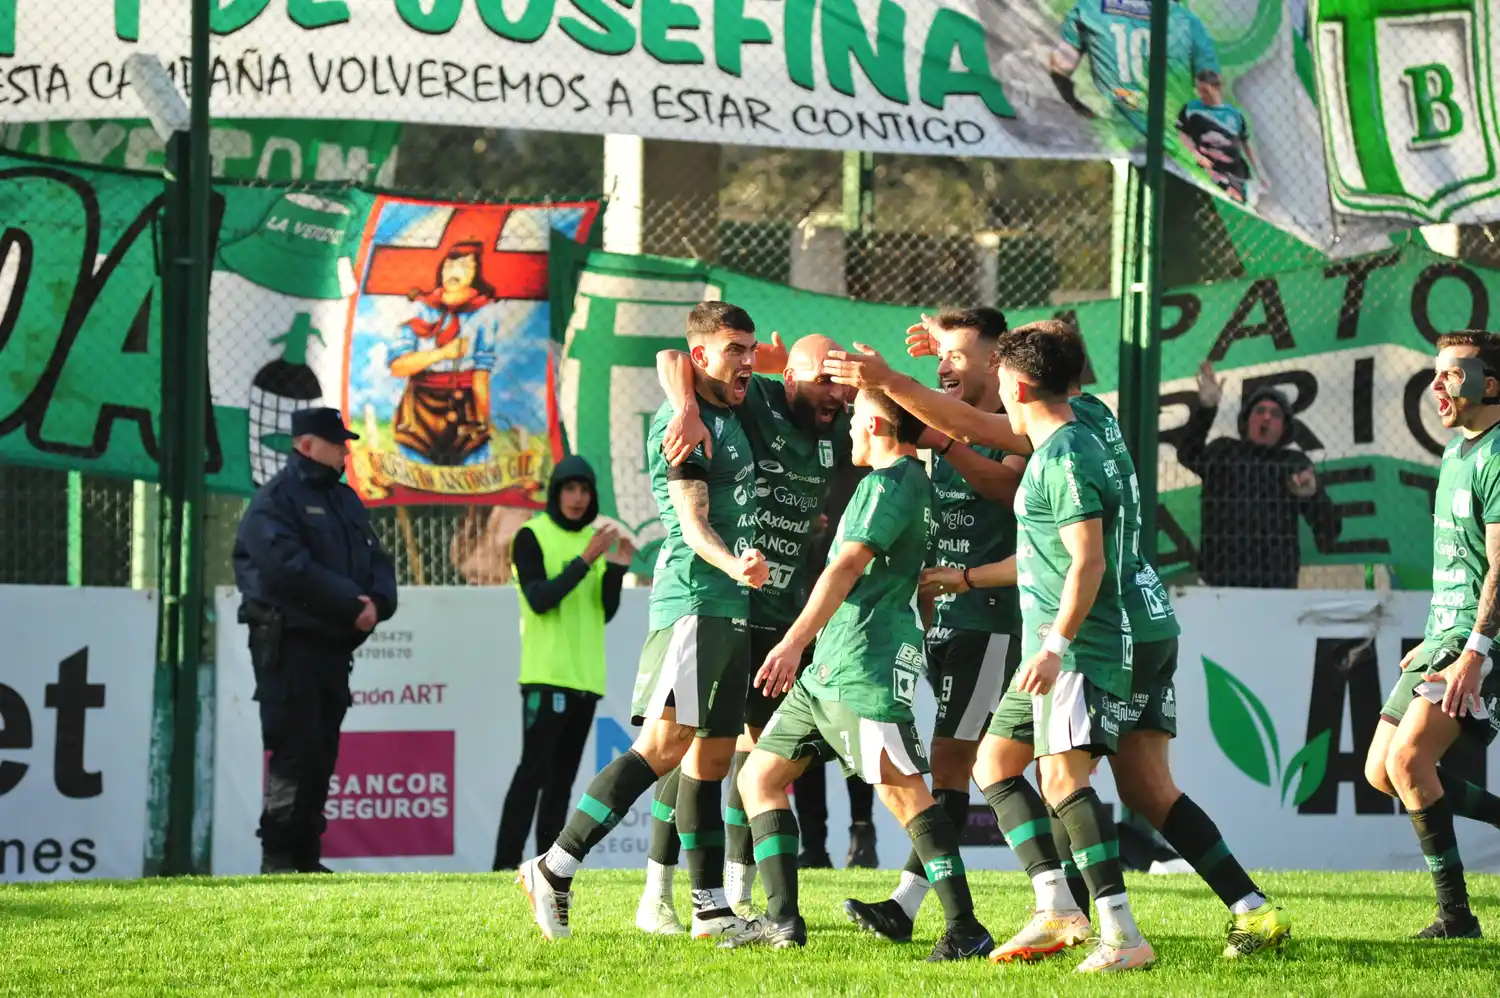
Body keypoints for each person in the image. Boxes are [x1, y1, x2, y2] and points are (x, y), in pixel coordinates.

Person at [830, 322, 1291, 963]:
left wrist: (1053, 643)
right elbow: (976, 431)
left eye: (993, 359)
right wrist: (911, 372)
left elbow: (1084, 561)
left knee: (1061, 777)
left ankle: (1119, 933)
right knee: (1103, 781)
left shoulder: (1062, 454)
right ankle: (1243, 911)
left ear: (1016, 381)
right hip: (1144, 621)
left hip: (1092, 636)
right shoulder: (1088, 418)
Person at [516, 301, 769, 942]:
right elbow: (691, 523)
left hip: (729, 604)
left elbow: (671, 359)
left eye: (751, 347)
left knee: (711, 759)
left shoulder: (721, 406)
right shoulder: (683, 426)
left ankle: (710, 910)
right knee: (661, 748)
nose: (748, 359)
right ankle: (555, 865)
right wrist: (734, 565)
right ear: (704, 355)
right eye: (735, 347)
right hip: (696, 599)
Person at [723, 388, 993, 959]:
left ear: (875, 422)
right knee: (759, 779)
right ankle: (782, 922)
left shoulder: (890, 484)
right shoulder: (912, 483)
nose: (847, 431)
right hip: (832, 667)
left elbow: (847, 566)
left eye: (853, 420)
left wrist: (793, 642)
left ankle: (965, 928)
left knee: (906, 797)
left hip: (859, 667)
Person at [635, 332, 865, 933]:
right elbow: (673, 357)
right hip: (735, 597)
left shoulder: (836, 431)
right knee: (693, 751)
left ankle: (735, 895)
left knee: (755, 760)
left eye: (841, 387)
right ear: (788, 374)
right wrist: (685, 406)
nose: (835, 396)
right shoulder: (755, 395)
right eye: (823, 381)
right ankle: (657, 889)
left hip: (785, 615)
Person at [841, 308, 1027, 930]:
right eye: (939, 355)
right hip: (943, 615)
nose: (944, 365)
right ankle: (1061, 895)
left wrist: (939, 433)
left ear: (997, 363)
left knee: (953, 762)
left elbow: (1004, 490)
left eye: (956, 355)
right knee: (960, 764)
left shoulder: (1015, 421)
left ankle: (929, 908)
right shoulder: (948, 418)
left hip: (989, 615)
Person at [1365, 330, 1500, 939]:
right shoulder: (1455, 454)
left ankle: (1456, 918)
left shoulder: (1498, 455)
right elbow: (1461, 563)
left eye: (1451, 373)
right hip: (1447, 635)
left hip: (1482, 643)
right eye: (1436, 372)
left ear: (1489, 385)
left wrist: (1474, 650)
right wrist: (1435, 635)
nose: (1437, 384)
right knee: (1381, 772)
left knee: (1410, 760)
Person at [231, 406, 399, 874]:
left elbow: (377, 560)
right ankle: (280, 858)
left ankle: (306, 857)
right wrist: (353, 603)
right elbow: (289, 570)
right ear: (306, 445)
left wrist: (378, 603)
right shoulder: (275, 501)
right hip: (289, 646)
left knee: (322, 749)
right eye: (337, 442)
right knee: (294, 749)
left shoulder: (345, 500)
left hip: (332, 648)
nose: (346, 450)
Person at [491, 455, 634, 871]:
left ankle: (546, 867)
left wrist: (617, 568)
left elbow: (603, 611)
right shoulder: (532, 535)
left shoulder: (594, 542)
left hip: (585, 680)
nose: (577, 498)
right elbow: (539, 599)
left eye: (584, 490)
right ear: (556, 493)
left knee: (562, 782)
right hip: (545, 677)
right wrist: (588, 558)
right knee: (531, 773)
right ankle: (503, 864)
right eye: (569, 489)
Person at [1178, 360, 1342, 588]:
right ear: (1247, 420)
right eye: (1260, 411)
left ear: (1284, 427)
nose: (1266, 417)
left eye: (1275, 414)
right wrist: (1206, 409)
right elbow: (1187, 454)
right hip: (1219, 582)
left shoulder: (1294, 464)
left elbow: (1329, 533)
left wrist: (1313, 496)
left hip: (1276, 586)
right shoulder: (1224, 450)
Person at [1049, 0, 1218, 137]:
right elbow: (1209, 86)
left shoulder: (1089, 7)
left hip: (1110, 128)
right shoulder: (1187, 20)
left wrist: (1077, 109)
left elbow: (1061, 67)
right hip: (1170, 133)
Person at [1176, 69, 1264, 205]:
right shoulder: (1191, 109)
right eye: (1198, 89)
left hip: (1234, 171)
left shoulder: (1235, 115)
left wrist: (1259, 172)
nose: (1201, 94)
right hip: (1209, 168)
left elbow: (1246, 145)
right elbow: (1182, 134)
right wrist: (1196, 155)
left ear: (1217, 88)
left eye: (1205, 90)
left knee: (1242, 204)